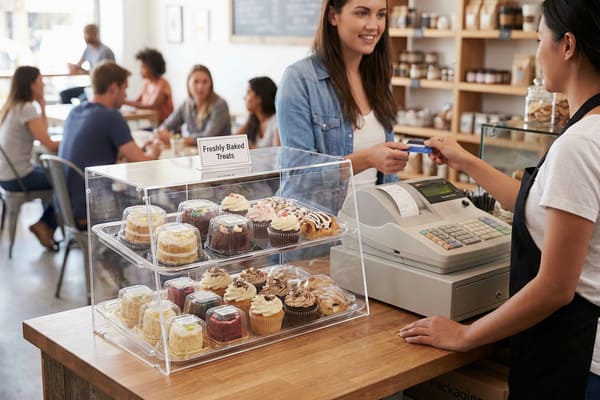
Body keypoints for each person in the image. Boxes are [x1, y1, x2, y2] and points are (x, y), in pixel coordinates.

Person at [399, 1, 600, 398]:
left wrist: (465, 334)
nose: (538, 50)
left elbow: (555, 288)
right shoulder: (590, 131)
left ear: (568, 46)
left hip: (577, 358)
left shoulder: (579, 145)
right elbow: (542, 206)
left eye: (540, 38)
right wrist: (465, 160)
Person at [275, 0, 409, 189]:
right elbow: (300, 175)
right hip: (321, 217)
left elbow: (387, 175)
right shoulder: (299, 79)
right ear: (332, 16)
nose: (373, 25)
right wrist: (367, 159)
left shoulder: (379, 78)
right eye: (362, 13)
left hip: (373, 214)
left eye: (380, 15)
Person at [59, 61, 161, 229]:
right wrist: (154, 151)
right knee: (159, 208)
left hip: (66, 206)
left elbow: (96, 150)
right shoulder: (111, 116)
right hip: (91, 208)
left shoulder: (76, 111)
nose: (125, 96)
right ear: (114, 88)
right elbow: (143, 164)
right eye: (124, 89)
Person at [0, 66, 60, 250]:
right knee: (67, 181)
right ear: (31, 84)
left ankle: (46, 226)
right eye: (40, 80)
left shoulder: (13, 106)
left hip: (7, 175)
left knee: (57, 175)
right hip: (18, 177)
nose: (43, 84)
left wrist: (42, 106)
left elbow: (43, 136)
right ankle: (45, 225)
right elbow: (49, 144)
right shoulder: (26, 109)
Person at [156, 64, 231, 147]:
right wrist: (160, 133)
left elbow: (208, 136)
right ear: (188, 83)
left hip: (219, 154)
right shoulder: (186, 104)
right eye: (196, 81)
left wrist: (176, 139)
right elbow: (167, 125)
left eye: (205, 82)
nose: (200, 87)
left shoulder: (219, 104)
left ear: (211, 84)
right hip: (194, 152)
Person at [61, 24, 115, 104]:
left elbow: (101, 76)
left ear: (95, 34)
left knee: (84, 100)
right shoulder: (88, 49)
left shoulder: (105, 51)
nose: (84, 37)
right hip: (91, 86)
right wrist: (73, 67)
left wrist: (82, 70)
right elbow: (79, 65)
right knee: (64, 94)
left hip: (101, 88)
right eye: (84, 34)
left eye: (87, 33)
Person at [124, 48, 174, 126]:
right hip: (152, 125)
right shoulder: (147, 84)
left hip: (166, 126)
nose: (140, 70)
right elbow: (137, 101)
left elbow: (152, 107)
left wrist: (125, 102)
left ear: (152, 68)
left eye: (143, 67)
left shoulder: (163, 84)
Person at [236, 76, 280, 148]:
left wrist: (252, 148)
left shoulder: (276, 122)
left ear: (259, 98)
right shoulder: (254, 120)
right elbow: (231, 144)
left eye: (248, 93)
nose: (244, 98)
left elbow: (277, 154)